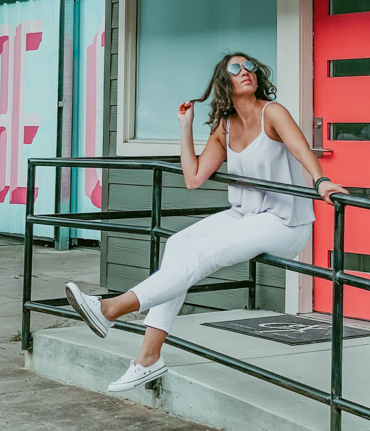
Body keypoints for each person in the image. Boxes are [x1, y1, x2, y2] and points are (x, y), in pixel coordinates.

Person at [65, 53, 346, 392]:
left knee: (201, 254)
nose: (246, 72)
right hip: (245, 213)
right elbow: (194, 177)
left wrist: (321, 182)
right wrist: (185, 127)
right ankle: (148, 359)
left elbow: (302, 150)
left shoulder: (272, 112)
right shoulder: (224, 127)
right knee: (179, 244)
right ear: (223, 82)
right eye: (236, 68)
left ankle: (110, 308)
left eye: (250, 67)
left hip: (285, 222)